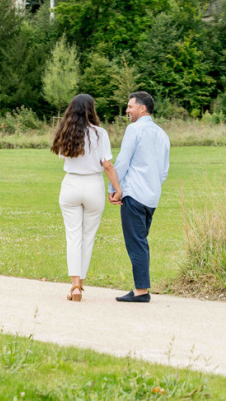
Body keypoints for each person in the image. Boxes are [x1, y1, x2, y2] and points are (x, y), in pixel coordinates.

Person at [51, 94, 122, 302]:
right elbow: (107, 165)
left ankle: (74, 285)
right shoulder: (100, 134)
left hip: (71, 184)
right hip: (93, 185)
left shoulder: (65, 132)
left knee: (73, 236)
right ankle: (80, 284)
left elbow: (64, 157)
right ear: (92, 109)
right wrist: (117, 189)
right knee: (87, 237)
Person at [108, 91, 170, 303]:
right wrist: (153, 187)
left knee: (137, 244)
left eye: (130, 106)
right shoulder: (162, 134)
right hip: (152, 197)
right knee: (140, 242)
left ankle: (141, 291)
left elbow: (123, 161)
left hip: (134, 195)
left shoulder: (134, 129)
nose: (127, 110)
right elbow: (164, 171)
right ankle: (140, 288)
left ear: (142, 108)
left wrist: (113, 187)